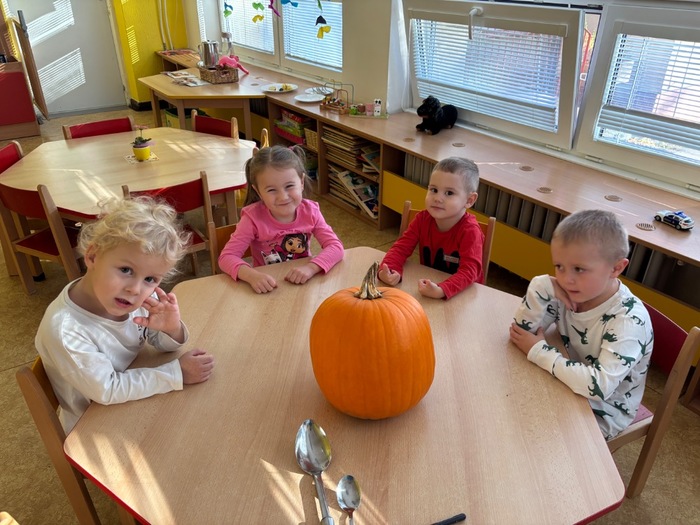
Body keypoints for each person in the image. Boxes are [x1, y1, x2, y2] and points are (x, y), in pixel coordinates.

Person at [35, 197, 215, 433]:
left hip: (134, 394)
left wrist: (170, 329)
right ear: (92, 256)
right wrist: (177, 373)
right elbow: (107, 390)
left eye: (150, 279)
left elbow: (159, 344)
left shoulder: (123, 296)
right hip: (94, 424)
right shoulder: (65, 330)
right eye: (126, 270)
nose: (135, 289)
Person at [509, 209, 653, 440]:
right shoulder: (569, 290)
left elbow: (598, 387)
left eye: (579, 269)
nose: (566, 279)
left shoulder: (628, 322)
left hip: (604, 410)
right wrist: (540, 286)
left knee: (534, 437)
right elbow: (522, 334)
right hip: (567, 379)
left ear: (616, 268)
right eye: (559, 266)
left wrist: (539, 351)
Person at [218, 145, 344, 293]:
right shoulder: (252, 218)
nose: (283, 197)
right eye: (271, 190)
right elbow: (227, 257)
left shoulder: (311, 211)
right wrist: (252, 276)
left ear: (301, 182)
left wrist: (311, 268)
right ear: (258, 191)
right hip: (268, 288)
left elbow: (335, 247)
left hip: (303, 284)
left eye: (289, 186)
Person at [378, 157, 484, 300]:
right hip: (430, 289)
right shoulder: (422, 219)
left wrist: (442, 290)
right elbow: (400, 248)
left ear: (469, 200)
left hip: (463, 297)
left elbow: (470, 271)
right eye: (434, 190)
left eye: (449, 193)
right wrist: (388, 269)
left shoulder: (471, 231)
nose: (437, 198)